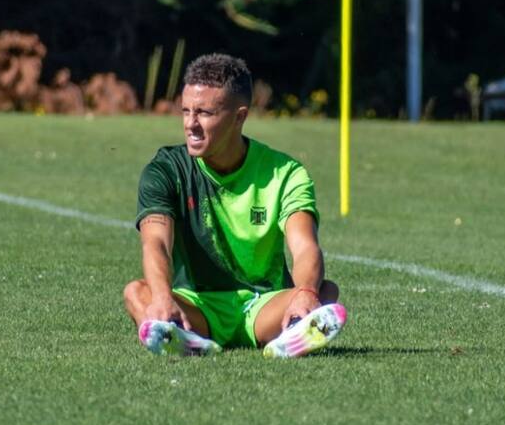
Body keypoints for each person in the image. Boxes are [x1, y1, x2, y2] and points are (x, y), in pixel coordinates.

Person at [123, 53, 347, 358]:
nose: (191, 124)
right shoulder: (165, 170)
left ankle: (290, 327)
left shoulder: (285, 172)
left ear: (239, 116)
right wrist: (163, 297)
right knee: (137, 293)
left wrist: (305, 293)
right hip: (196, 304)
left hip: (264, 305)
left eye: (204, 113)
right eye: (186, 111)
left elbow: (306, 247)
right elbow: (156, 243)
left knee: (323, 291)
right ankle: (186, 336)